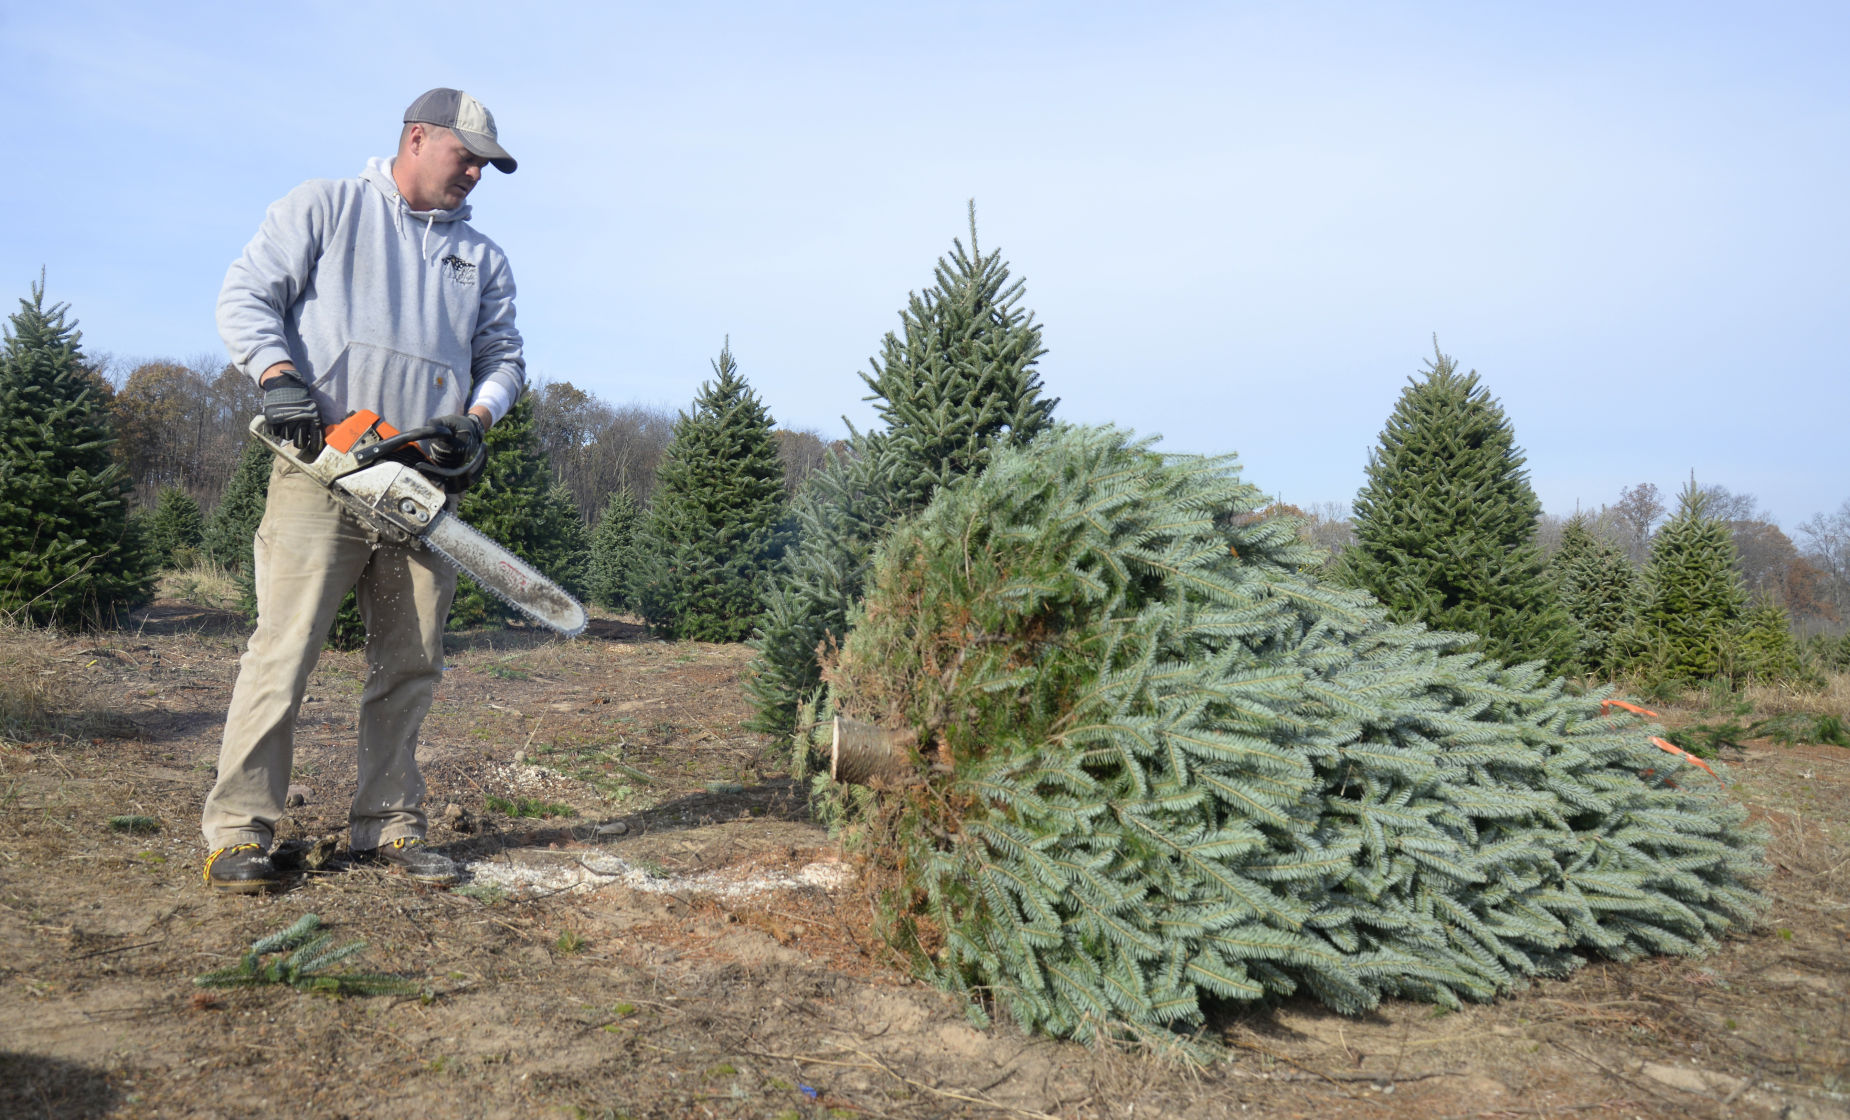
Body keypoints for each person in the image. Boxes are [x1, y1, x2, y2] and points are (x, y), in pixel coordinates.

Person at [201, 89, 526, 892]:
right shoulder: (328, 208)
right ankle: (238, 830)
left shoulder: (480, 258)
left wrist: (477, 420)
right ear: (419, 137)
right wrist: (279, 379)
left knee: (411, 661)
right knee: (285, 650)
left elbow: (504, 357)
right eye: (467, 156)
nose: (477, 174)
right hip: (326, 470)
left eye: (487, 164)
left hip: (421, 485)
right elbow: (245, 296)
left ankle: (387, 824)